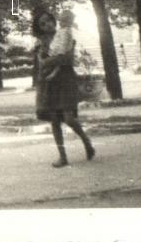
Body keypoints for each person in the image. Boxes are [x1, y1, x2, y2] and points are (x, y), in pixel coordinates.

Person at [33, 9, 95, 168]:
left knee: (68, 118)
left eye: (48, 20)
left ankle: (86, 142)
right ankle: (63, 156)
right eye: (42, 24)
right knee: (54, 120)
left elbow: (67, 59)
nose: (47, 25)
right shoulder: (40, 42)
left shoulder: (66, 34)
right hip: (49, 82)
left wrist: (50, 61)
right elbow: (42, 63)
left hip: (65, 79)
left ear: (54, 20)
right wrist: (50, 62)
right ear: (39, 27)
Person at [44, 9, 75, 82]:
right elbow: (57, 40)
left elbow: (64, 43)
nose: (60, 23)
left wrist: (61, 52)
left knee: (57, 63)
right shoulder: (62, 30)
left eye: (63, 21)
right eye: (60, 21)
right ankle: (51, 70)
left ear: (69, 22)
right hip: (56, 50)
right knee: (51, 61)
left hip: (62, 51)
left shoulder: (66, 30)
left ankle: (54, 72)